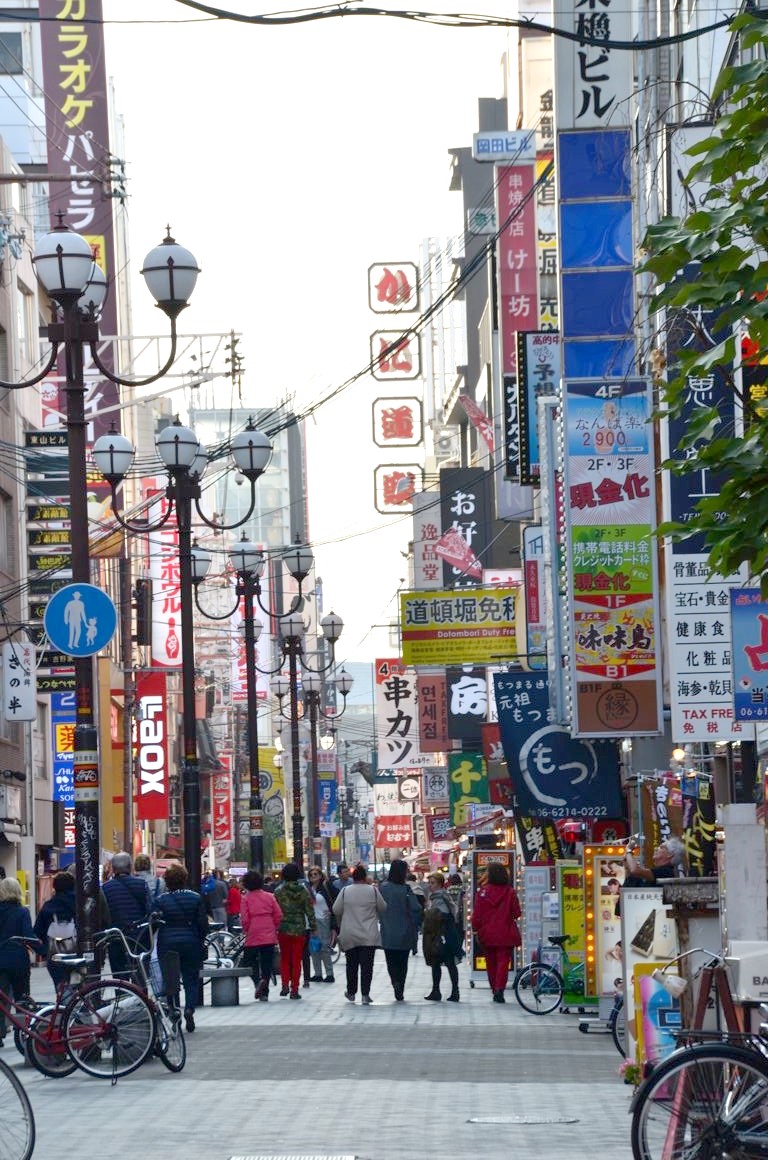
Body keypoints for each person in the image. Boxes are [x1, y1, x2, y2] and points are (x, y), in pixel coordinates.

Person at [153, 862, 207, 1032]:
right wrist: (200, 939)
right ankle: (189, 1008)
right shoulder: (195, 898)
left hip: (167, 944)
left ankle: (174, 1012)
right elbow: (203, 924)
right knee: (191, 979)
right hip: (191, 943)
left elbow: (154, 924)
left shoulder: (160, 900)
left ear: (167, 881)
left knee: (171, 981)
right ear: (184, 879)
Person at [333, 863, 386, 1005]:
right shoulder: (373, 890)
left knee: (351, 964)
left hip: (350, 933)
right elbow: (383, 907)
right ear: (365, 877)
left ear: (353, 877)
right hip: (368, 934)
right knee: (367, 966)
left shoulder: (345, 891)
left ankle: (351, 992)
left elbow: (336, 909)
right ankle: (365, 995)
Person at [471, 862, 522, 1003]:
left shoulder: (482, 892)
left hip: (487, 933)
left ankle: (494, 988)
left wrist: (475, 930)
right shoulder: (510, 892)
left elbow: (476, 915)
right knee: (503, 962)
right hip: (505, 933)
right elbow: (517, 913)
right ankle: (500, 989)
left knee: (491, 962)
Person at [101, 851, 153, 978]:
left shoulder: (105, 888)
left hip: (116, 937)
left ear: (113, 869)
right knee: (140, 978)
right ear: (130, 867)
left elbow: (104, 916)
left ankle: (122, 990)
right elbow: (150, 910)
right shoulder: (141, 884)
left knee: (120, 978)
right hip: (139, 938)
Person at [0, 877, 37, 1042]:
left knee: (1, 1000)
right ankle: (22, 1032)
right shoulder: (22, 912)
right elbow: (28, 936)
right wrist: (43, 950)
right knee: (22, 998)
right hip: (18, 960)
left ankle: (0, 1033)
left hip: (1, 960)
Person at [379, 859, 422, 1001]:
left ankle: (394, 982)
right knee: (403, 963)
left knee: (391, 961)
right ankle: (400, 988)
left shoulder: (383, 888)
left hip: (388, 930)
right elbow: (416, 908)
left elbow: (377, 907)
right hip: (405, 931)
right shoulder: (406, 889)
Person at [274, 863, 316, 999]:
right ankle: (294, 989)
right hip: (299, 929)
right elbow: (309, 910)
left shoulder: (278, 891)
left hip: (283, 928)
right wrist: (314, 927)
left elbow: (275, 911)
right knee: (297, 959)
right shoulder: (303, 891)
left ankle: (285, 984)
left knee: (285, 958)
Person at [240, 870, 282, 1001]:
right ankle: (265, 991)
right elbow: (278, 914)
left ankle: (257, 981)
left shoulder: (246, 898)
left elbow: (245, 918)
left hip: (253, 931)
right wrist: (274, 927)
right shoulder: (270, 896)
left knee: (248, 960)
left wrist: (246, 929)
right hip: (268, 930)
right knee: (266, 963)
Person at [33, 871, 78, 989]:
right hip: (77, 953)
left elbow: (37, 931)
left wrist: (44, 952)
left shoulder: (48, 906)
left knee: (61, 987)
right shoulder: (79, 903)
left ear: (55, 886)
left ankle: (64, 998)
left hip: (54, 955)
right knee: (79, 987)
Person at [422, 872, 462, 1002]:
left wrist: (429, 915)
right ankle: (449, 991)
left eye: (432, 883)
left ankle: (441, 991)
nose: (430, 885)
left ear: (440, 884)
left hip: (441, 935)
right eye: (429, 883)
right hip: (444, 935)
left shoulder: (439, 897)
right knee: (445, 963)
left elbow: (442, 916)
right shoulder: (439, 896)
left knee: (441, 962)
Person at [307, 867, 337, 983]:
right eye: (311, 875)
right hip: (311, 921)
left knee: (324, 947)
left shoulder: (326, 886)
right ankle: (318, 973)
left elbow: (338, 898)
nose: (313, 876)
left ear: (320, 875)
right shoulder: (308, 889)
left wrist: (332, 911)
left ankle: (329, 974)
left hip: (324, 920)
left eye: (315, 874)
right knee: (314, 948)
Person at [446, 872, 466, 958]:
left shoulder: (448, 889)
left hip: (451, 913)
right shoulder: (462, 889)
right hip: (460, 914)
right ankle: (459, 949)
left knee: (453, 933)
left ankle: (456, 949)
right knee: (460, 933)